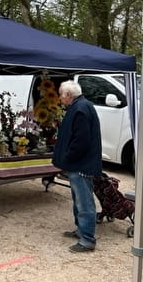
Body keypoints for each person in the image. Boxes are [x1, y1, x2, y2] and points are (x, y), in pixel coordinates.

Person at [52, 80, 102, 253]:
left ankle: (87, 239)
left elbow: (81, 141)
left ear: (68, 95)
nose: (59, 98)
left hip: (81, 165)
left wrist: (67, 157)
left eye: (60, 94)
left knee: (84, 203)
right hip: (79, 164)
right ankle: (81, 230)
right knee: (79, 200)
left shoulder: (80, 109)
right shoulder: (80, 106)